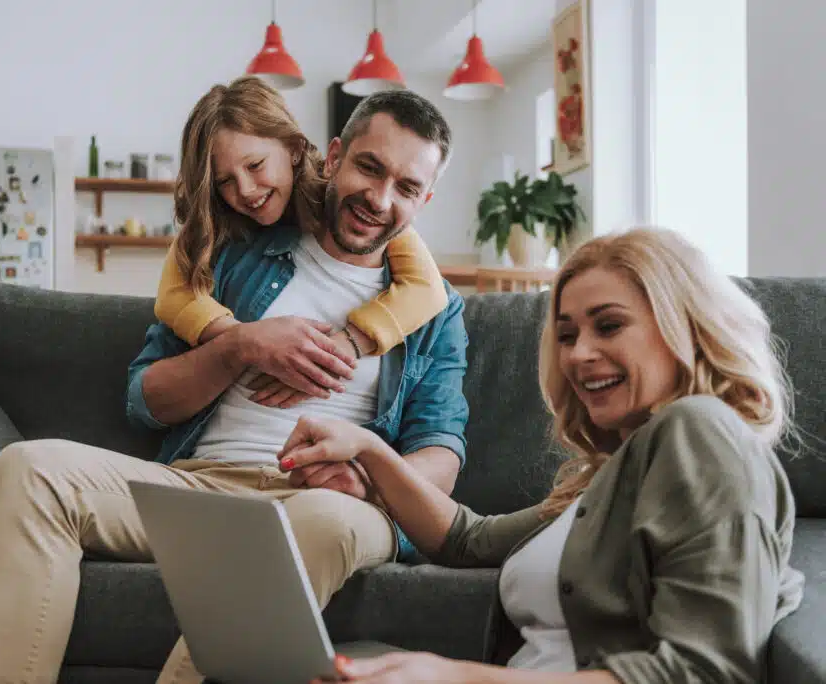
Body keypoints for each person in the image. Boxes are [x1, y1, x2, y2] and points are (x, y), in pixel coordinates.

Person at [0, 86, 470, 684]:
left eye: (406, 188)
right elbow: (145, 400)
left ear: (424, 199)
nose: (379, 199)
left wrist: (368, 474)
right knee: (29, 468)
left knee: (322, 522)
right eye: (369, 168)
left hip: (331, 504)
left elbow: (440, 454)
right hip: (201, 486)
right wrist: (239, 346)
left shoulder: (436, 311)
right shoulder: (235, 248)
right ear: (332, 158)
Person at [276, 227, 806, 684]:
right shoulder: (611, 479)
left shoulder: (701, 432)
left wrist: (454, 675)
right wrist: (368, 449)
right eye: (568, 334)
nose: (578, 355)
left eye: (610, 325)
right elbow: (465, 539)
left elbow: (704, 673)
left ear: (683, 324)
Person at [153, 76, 450, 408]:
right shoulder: (218, 226)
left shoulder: (354, 205)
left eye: (256, 165)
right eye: (224, 180)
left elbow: (429, 290)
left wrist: (341, 347)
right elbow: (174, 298)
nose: (247, 190)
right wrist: (248, 342)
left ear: (294, 149)